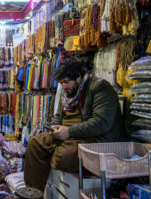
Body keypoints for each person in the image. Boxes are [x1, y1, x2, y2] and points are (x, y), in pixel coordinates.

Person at [24, 58, 127, 192]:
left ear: (79, 76)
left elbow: (101, 122)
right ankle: (34, 192)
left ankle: (53, 188)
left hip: (93, 137)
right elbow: (58, 116)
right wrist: (54, 127)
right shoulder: (66, 92)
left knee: (62, 155)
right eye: (61, 83)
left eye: (66, 82)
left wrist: (69, 132)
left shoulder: (100, 87)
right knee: (35, 145)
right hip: (69, 134)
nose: (64, 86)